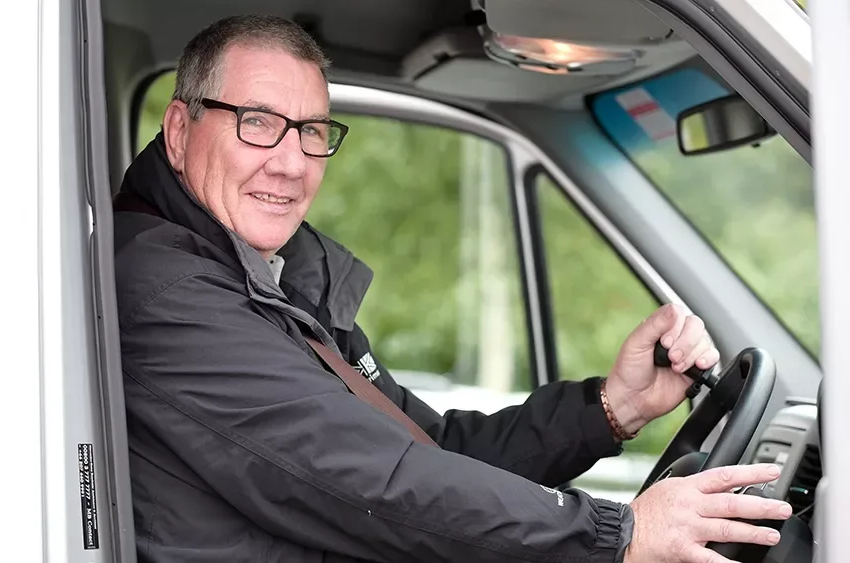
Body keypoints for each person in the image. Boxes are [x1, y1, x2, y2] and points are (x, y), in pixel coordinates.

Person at [112, 14, 792, 563]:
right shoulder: (167, 290)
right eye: (256, 122)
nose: (290, 163)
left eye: (312, 131)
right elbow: (374, 481)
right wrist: (618, 535)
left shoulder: (273, 280)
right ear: (179, 131)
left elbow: (428, 450)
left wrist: (611, 408)